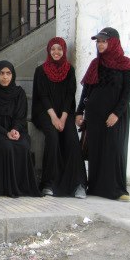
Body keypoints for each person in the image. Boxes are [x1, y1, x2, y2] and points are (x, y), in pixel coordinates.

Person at [76, 27, 130, 202]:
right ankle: (96, 187)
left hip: (115, 116)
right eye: (99, 42)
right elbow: (87, 90)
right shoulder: (96, 64)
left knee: (114, 149)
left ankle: (117, 190)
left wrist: (116, 113)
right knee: (97, 150)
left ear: (114, 42)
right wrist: (79, 112)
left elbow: (128, 93)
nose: (100, 45)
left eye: (104, 41)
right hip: (94, 116)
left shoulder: (126, 65)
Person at [32, 38, 87, 198]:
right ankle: (49, 183)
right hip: (45, 112)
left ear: (64, 51)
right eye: (53, 49)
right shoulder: (41, 70)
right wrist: (54, 118)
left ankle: (78, 184)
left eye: (59, 49)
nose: (56, 52)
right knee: (53, 136)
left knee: (72, 138)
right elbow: (42, 96)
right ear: (49, 51)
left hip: (65, 112)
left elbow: (70, 96)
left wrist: (62, 119)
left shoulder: (69, 70)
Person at [0, 61, 40, 198]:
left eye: (8, 73)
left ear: (12, 75)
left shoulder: (19, 93)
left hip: (16, 130)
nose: (5, 77)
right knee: (6, 146)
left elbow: (21, 117)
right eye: (1, 73)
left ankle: (23, 187)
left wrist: (15, 129)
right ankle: (7, 188)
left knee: (23, 144)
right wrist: (6, 132)